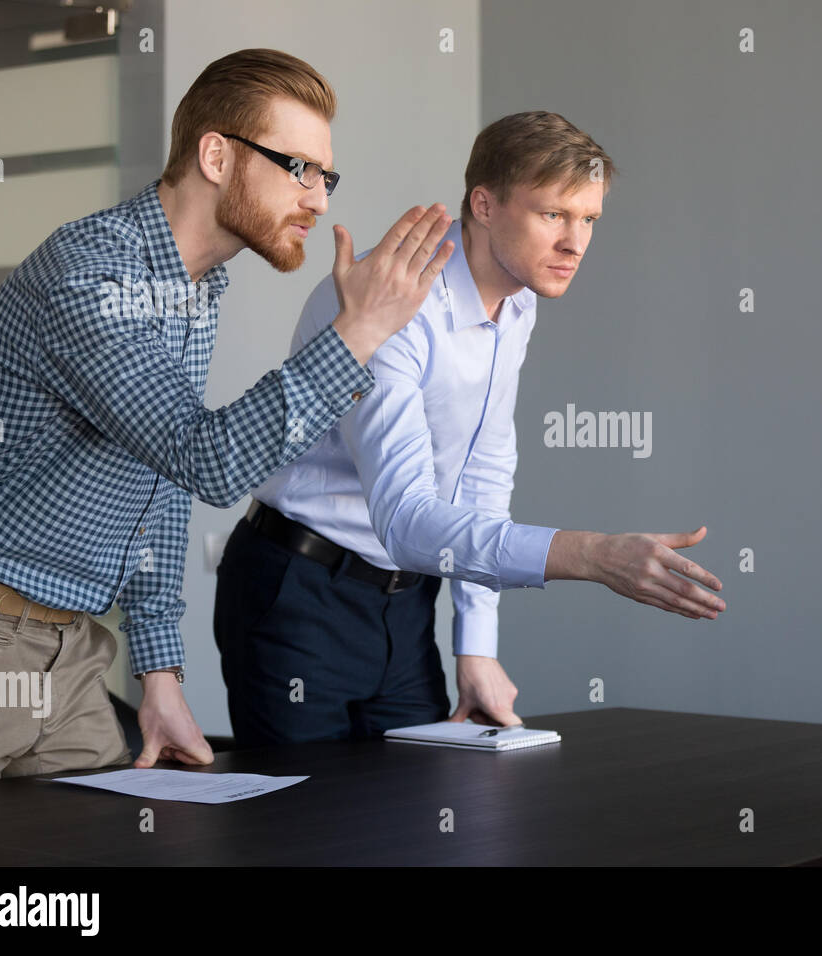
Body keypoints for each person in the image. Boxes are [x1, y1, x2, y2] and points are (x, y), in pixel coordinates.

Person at [0, 48, 454, 784]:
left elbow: (162, 487)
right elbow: (208, 460)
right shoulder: (92, 272)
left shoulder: (197, 286)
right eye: (298, 168)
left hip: (76, 656)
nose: (319, 198)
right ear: (217, 154)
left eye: (326, 175)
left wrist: (159, 674)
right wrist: (359, 332)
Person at [214, 111, 726, 746]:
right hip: (299, 590)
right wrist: (592, 556)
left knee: (415, 819)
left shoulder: (519, 300)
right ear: (484, 205)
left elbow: (484, 466)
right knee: (307, 833)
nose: (575, 243)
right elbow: (405, 518)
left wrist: (476, 644)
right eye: (553, 215)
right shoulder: (390, 302)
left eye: (588, 219)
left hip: (405, 601)